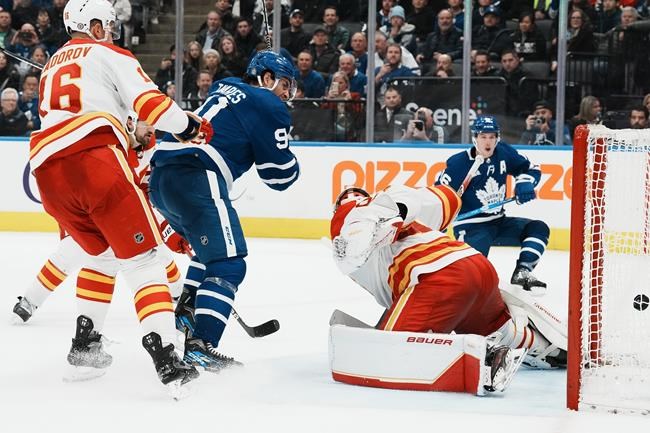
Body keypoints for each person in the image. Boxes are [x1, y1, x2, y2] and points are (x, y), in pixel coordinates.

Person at [30, 0, 212, 391]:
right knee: (146, 261)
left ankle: (85, 347)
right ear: (94, 27)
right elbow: (151, 105)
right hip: (92, 162)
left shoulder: (50, 66)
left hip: (47, 173)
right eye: (108, 26)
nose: (111, 32)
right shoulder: (109, 54)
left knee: (102, 256)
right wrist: (188, 126)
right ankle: (167, 358)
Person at [150, 50, 300, 372]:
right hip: (197, 175)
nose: (287, 93)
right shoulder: (269, 104)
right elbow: (278, 177)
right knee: (230, 265)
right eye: (285, 84)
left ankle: (186, 312)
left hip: (162, 177)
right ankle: (201, 344)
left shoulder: (226, 85)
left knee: (210, 256)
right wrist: (292, 161)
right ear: (267, 78)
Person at [329, 183, 567, 375]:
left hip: (438, 279)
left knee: (391, 355)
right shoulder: (413, 218)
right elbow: (448, 198)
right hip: (476, 266)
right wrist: (398, 211)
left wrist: (387, 212)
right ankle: (550, 348)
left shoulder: (350, 215)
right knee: (497, 330)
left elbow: (356, 227)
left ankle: (478, 359)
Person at [12, 117, 188, 323]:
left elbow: (145, 195)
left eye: (153, 125)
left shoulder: (148, 148)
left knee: (155, 250)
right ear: (130, 122)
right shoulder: (106, 135)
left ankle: (180, 296)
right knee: (70, 252)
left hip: (120, 207)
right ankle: (30, 301)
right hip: (88, 205)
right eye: (145, 124)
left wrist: (168, 230)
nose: (151, 130)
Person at [437, 115, 550, 293]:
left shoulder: (503, 152)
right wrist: (439, 226)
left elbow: (530, 168)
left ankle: (523, 272)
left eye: (492, 136)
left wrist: (524, 183)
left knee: (538, 228)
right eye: (483, 137)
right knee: (473, 280)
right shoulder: (459, 164)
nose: (488, 142)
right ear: (475, 138)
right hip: (471, 227)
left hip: (499, 221)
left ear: (497, 137)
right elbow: (440, 196)